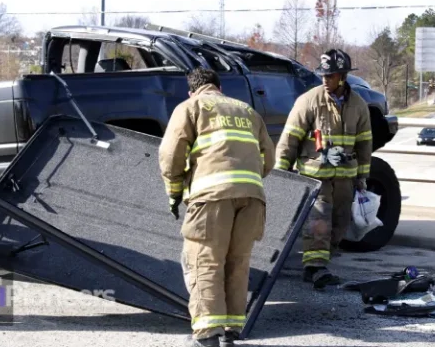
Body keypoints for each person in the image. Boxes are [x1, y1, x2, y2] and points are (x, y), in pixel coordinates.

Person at [158, 68, 275, 347]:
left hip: (211, 197)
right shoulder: (246, 110)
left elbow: (171, 154)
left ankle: (209, 335)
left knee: (205, 261)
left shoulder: (191, 106)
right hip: (252, 199)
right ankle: (232, 330)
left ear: (192, 90)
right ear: (219, 87)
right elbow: (269, 158)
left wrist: (174, 193)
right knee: (238, 262)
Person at [274, 49, 372, 289]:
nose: (325, 80)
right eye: (323, 75)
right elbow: (290, 139)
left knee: (339, 223)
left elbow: (365, 142)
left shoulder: (358, 105)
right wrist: (281, 174)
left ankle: (321, 263)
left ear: (343, 76)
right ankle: (314, 268)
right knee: (318, 223)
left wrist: (362, 177)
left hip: (345, 180)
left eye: (331, 76)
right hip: (316, 179)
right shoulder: (309, 101)